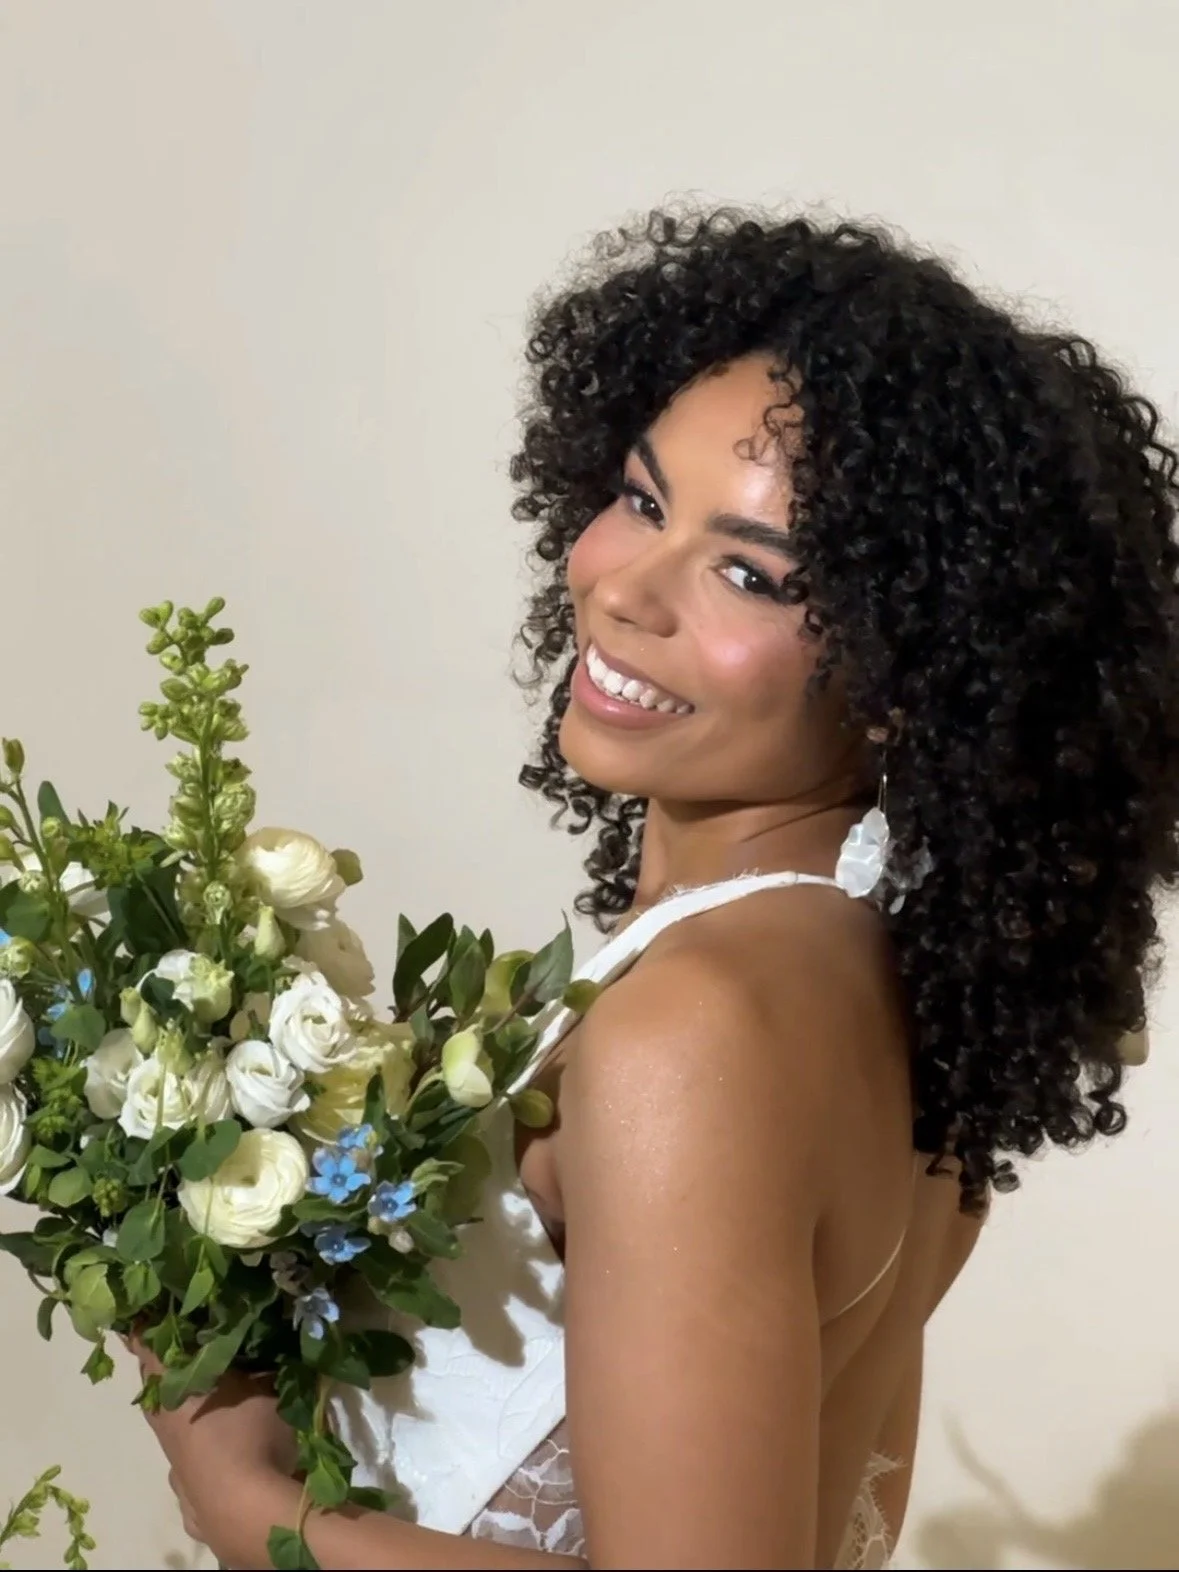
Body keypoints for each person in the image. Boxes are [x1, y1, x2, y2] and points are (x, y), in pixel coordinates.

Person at [133, 209, 1179, 1569]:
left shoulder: (695, 1033)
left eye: (748, 571)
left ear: (910, 678)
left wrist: (251, 1508)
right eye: (638, 500)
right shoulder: (870, 986)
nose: (628, 587)